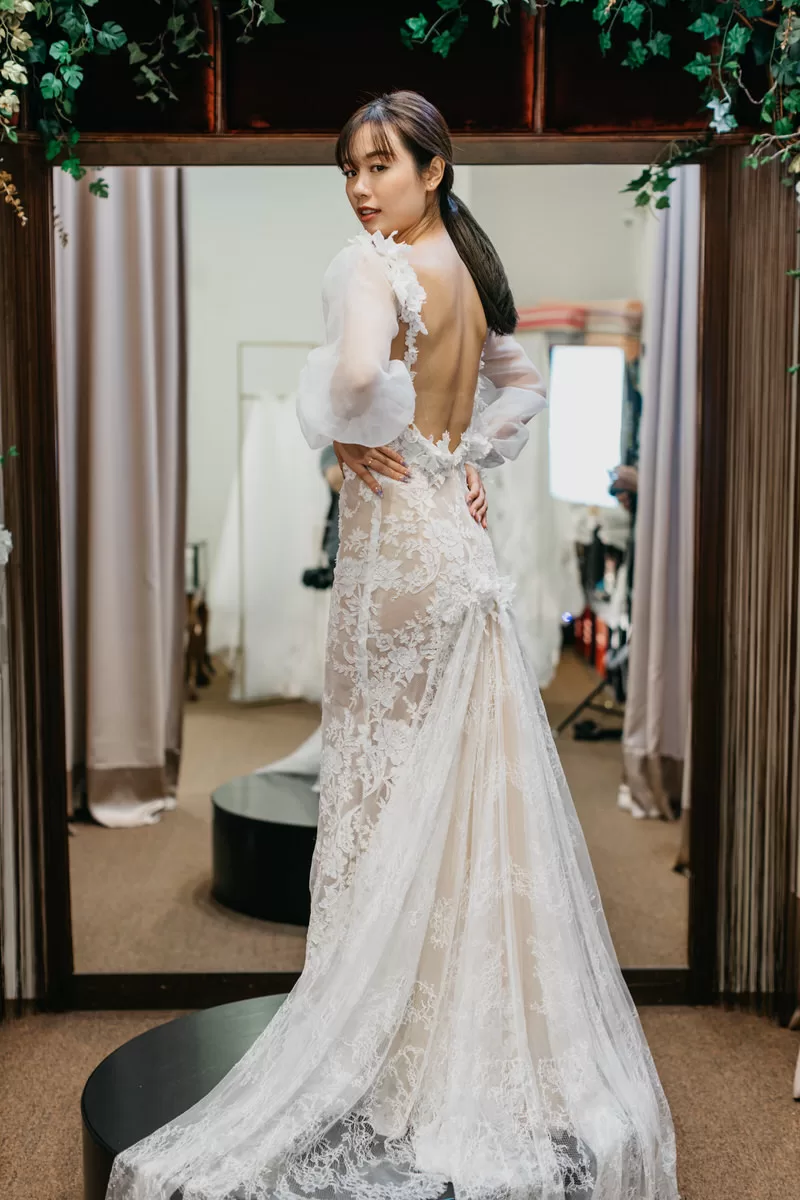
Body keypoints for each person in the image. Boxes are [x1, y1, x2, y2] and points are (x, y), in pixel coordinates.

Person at [106, 90, 680, 1200]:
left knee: (380, 796)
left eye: (380, 164)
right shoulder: (472, 269)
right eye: (350, 168)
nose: (361, 186)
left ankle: (385, 1042)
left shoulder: (368, 265)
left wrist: (342, 437)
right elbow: (519, 384)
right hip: (454, 554)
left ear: (432, 167)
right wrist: (456, 459)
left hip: (395, 565)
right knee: (456, 798)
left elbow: (359, 379)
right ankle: (449, 1030)